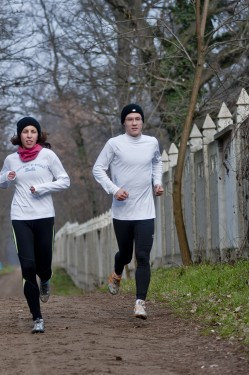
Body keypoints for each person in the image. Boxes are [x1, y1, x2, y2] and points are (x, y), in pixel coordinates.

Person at [0, 117, 70, 334]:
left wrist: (43, 187)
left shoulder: (48, 156)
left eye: (32, 131)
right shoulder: (11, 159)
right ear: (19, 135)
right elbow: (0, 182)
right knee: (28, 268)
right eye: (25, 132)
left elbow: (65, 180)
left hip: (45, 216)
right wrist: (6, 177)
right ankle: (37, 317)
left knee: (43, 265)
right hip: (20, 216)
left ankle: (45, 279)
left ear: (38, 135)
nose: (28, 135)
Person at [92, 103, 164, 320]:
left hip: (145, 211)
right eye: (130, 119)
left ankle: (140, 303)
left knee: (142, 256)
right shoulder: (114, 144)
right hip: (122, 212)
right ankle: (116, 273)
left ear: (142, 121)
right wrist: (114, 190)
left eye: (138, 119)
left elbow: (157, 163)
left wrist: (157, 183)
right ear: (124, 122)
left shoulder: (152, 142)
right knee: (124, 254)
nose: (134, 123)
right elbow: (97, 169)